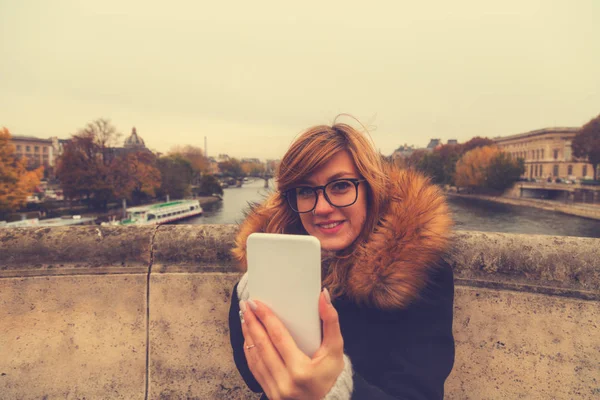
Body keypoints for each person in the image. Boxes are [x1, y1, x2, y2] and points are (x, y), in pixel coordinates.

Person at [228, 121, 455, 399]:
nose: (322, 208)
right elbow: (254, 379)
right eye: (305, 191)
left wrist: (335, 389)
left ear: (371, 189)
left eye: (341, 186)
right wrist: (251, 292)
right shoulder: (279, 264)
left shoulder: (420, 273)